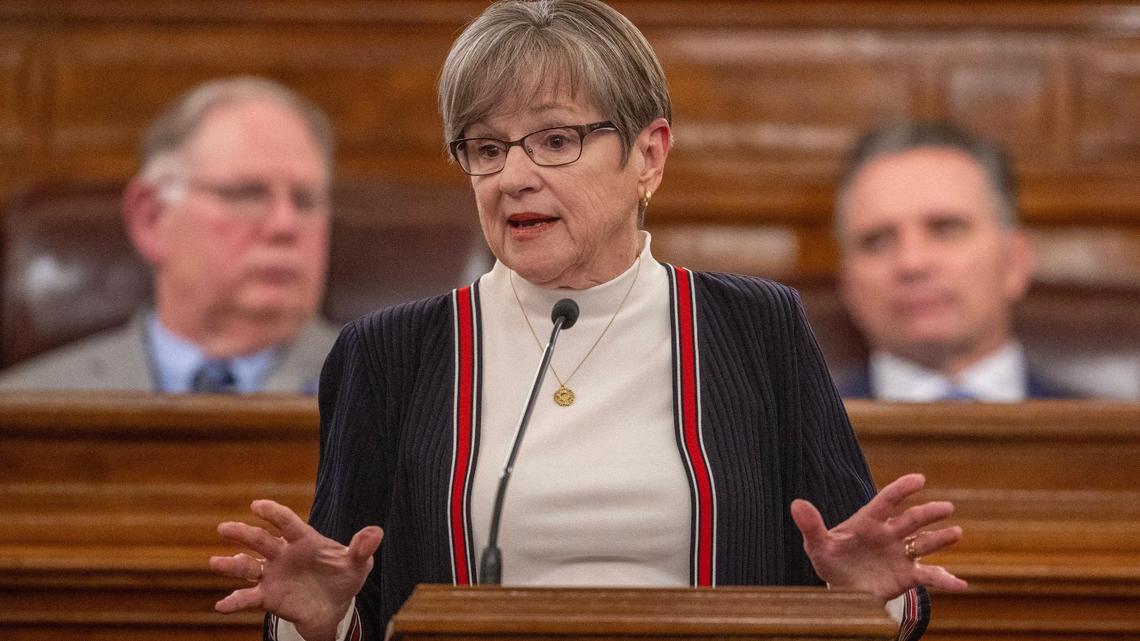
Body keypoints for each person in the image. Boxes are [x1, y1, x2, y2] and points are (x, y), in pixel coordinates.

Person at [209, 3, 966, 640]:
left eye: (556, 139)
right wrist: (320, 619)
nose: (513, 176)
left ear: (649, 155)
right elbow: (344, 602)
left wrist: (876, 597)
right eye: (485, 147)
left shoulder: (755, 329)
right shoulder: (392, 354)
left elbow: (859, 571)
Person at [0, 77, 340, 393]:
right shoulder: (27, 407)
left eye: (306, 200)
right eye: (246, 194)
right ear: (151, 218)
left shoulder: (385, 396)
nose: (285, 225)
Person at [832, 121, 1074, 401]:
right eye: (877, 241)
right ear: (848, 282)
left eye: (945, 229)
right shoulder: (792, 440)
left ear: (1013, 262)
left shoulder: (1108, 438)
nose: (912, 263)